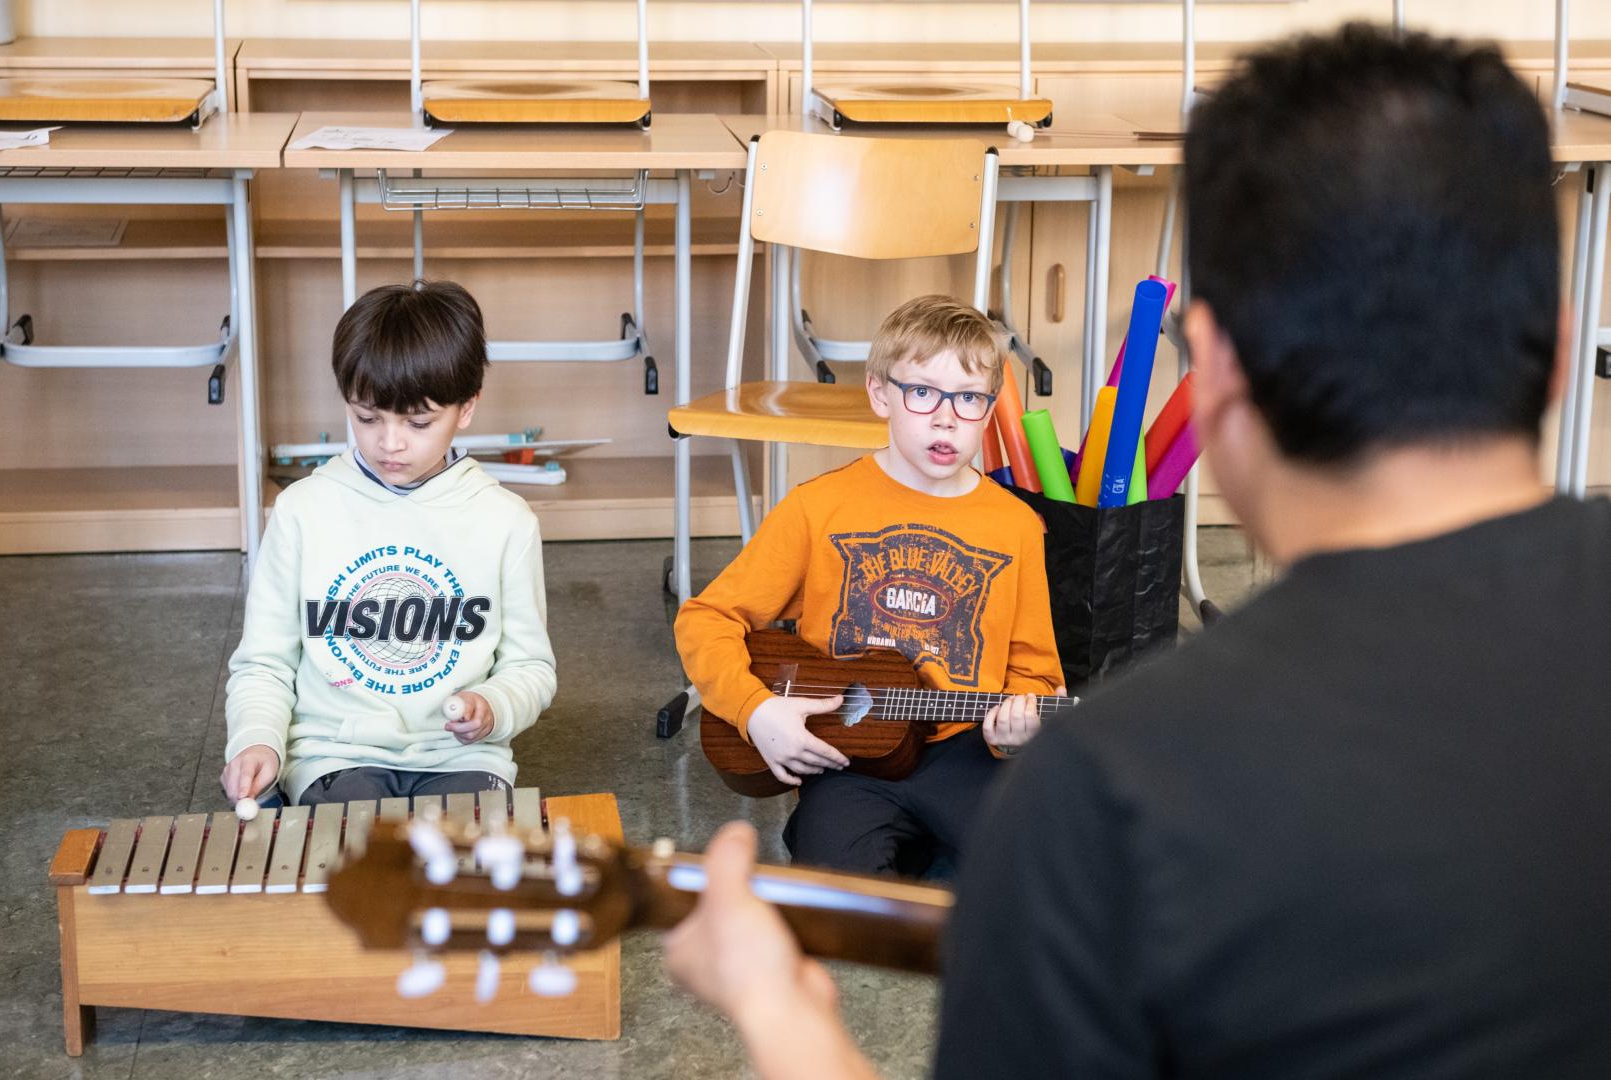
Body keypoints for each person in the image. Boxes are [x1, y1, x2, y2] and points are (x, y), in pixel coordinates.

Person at [664, 24, 1611, 1078]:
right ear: (1562, 349)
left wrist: (772, 1006)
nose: (945, 415)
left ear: (1211, 376)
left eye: (967, 398)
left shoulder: (1111, 796)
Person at [674, 294, 1065, 876]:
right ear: (881, 393)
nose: (946, 418)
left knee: (1039, 876)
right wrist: (756, 712)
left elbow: (1037, 674)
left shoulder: (1016, 527)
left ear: (990, 408)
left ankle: (928, 851)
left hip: (965, 750)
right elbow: (706, 619)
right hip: (850, 754)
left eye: (969, 399)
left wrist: (1016, 733)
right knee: (841, 897)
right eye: (922, 392)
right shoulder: (818, 507)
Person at [222, 280, 557, 807]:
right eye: (367, 417)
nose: (390, 442)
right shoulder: (302, 511)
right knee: (350, 866)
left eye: (418, 421)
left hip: (462, 759)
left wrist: (493, 705)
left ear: (467, 407)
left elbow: (530, 668)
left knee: (466, 873)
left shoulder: (506, 521)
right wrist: (257, 740)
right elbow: (264, 664)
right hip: (334, 755)